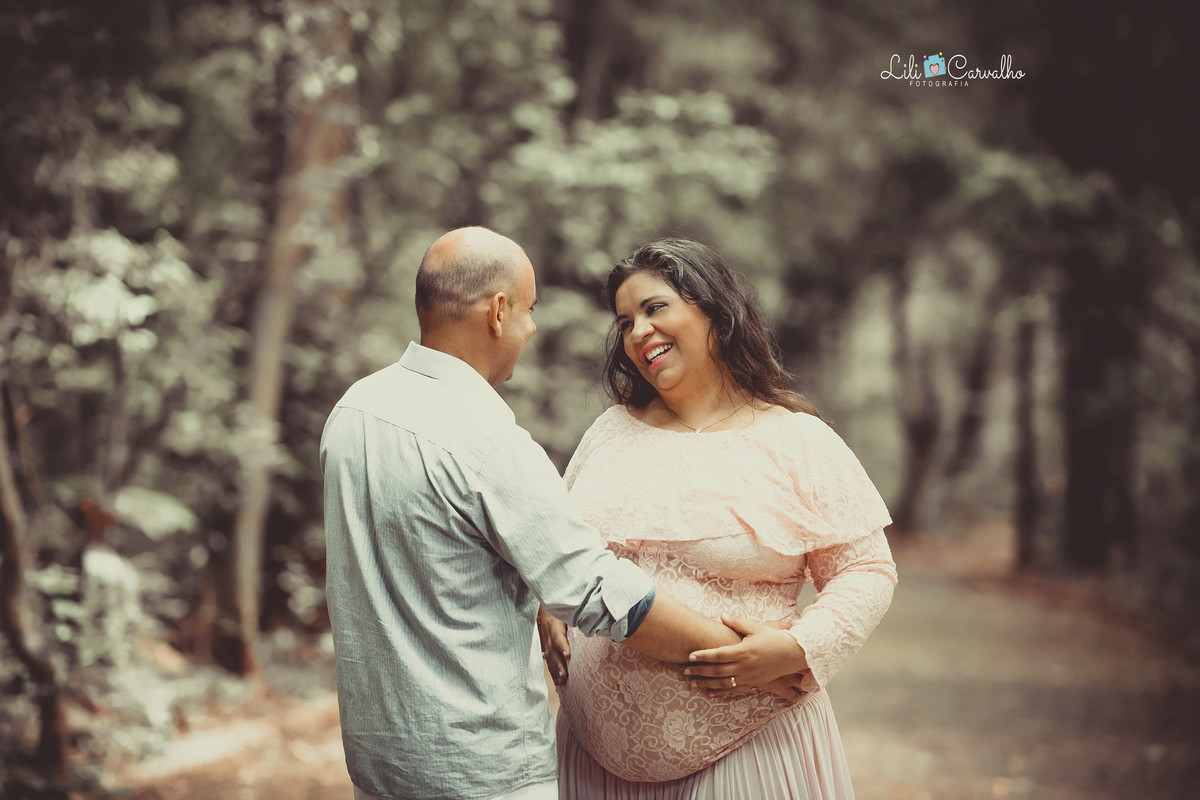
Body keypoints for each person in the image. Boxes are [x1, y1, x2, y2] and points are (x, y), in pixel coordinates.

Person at [321, 227, 749, 800]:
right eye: (529, 309)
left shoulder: (353, 412)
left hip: (381, 771)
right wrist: (733, 652)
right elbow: (593, 589)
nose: (532, 327)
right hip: (484, 775)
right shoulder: (484, 439)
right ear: (498, 311)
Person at [539, 238, 898, 799]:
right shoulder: (609, 433)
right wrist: (548, 600)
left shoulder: (795, 439)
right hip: (592, 760)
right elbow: (561, 547)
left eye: (655, 308)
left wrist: (801, 648)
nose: (638, 332)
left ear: (714, 309)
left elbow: (868, 569)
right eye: (625, 320)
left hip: (750, 750)